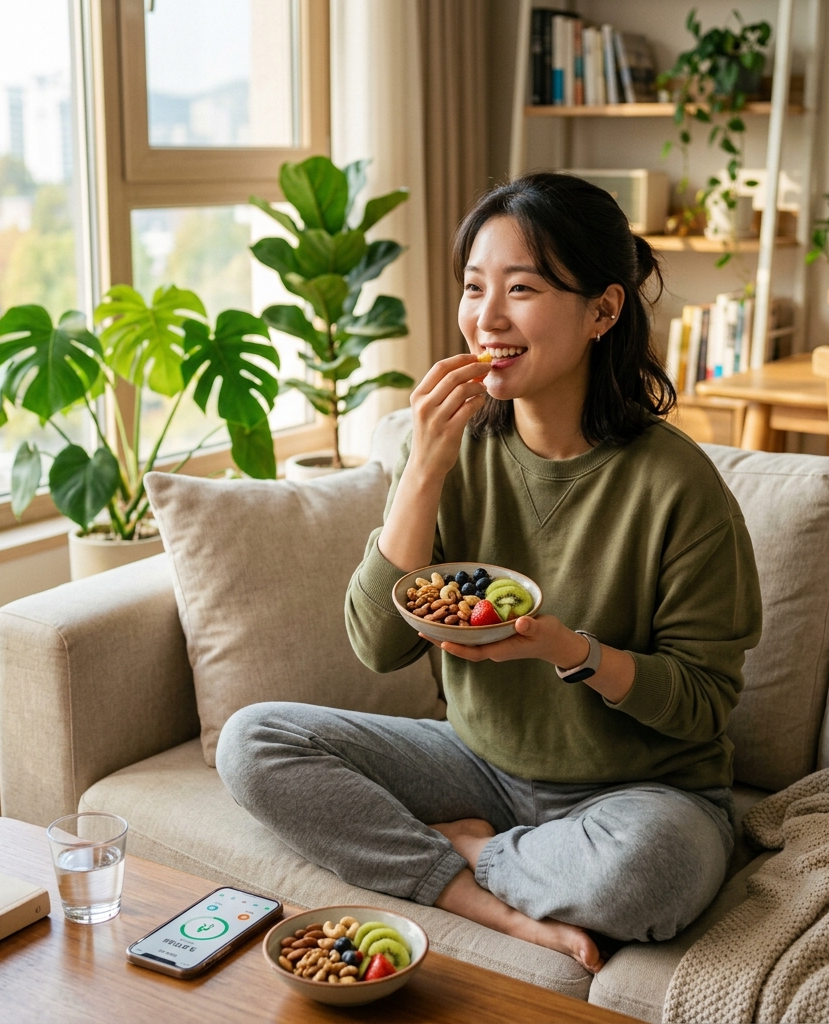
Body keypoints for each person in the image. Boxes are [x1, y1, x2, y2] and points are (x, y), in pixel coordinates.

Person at [217, 172, 762, 973]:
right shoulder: (451, 448)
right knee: (252, 742)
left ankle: (482, 855)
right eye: (475, 288)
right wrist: (422, 472)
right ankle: (474, 885)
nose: (487, 317)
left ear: (604, 311)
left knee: (651, 875)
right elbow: (377, 645)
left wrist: (568, 651)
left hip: (641, 793)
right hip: (477, 763)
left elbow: (704, 703)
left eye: (522, 289)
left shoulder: (677, 485)